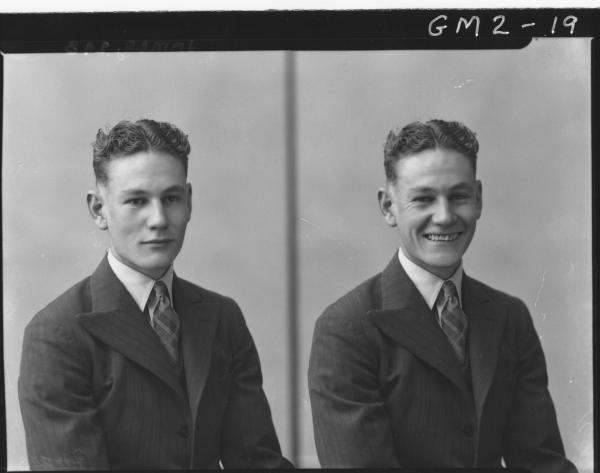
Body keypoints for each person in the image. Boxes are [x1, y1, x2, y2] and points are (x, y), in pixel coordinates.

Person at [18, 119, 292, 470]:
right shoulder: (56, 334)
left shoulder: (222, 316)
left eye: (171, 198)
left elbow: (258, 462)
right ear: (98, 210)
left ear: (189, 202)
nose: (159, 219)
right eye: (136, 201)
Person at [308, 119, 577, 472]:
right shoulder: (345, 329)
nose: (445, 216)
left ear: (478, 199)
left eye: (459, 196)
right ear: (388, 207)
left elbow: (541, 463)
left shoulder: (510, 317)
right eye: (423, 199)